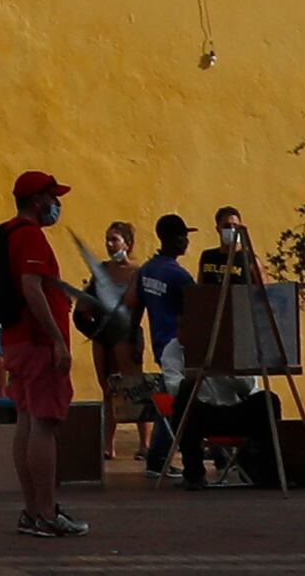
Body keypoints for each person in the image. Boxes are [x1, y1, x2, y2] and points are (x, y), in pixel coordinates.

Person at [0, 170, 85, 539]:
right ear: (36, 200)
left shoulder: (10, 233)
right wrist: (58, 339)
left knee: (27, 422)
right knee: (44, 424)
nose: (56, 203)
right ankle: (45, 511)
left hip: (16, 341)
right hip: (37, 344)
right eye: (51, 196)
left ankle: (32, 511)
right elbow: (32, 288)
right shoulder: (30, 238)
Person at [172, 208, 274, 490]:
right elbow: (203, 291)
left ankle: (257, 464)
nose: (229, 229)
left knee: (254, 392)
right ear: (217, 228)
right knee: (194, 391)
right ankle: (195, 470)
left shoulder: (248, 258)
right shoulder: (209, 257)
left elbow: (264, 294)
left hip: (241, 331)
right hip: (214, 329)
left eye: (234, 225)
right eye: (225, 225)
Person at [74, 219, 150, 484]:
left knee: (134, 390)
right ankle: (109, 445)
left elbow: (141, 306)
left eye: (114, 240)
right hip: (103, 336)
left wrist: (136, 340)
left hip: (127, 335)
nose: (109, 244)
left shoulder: (137, 273)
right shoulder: (101, 272)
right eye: (107, 239)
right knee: (108, 390)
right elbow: (85, 305)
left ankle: (145, 444)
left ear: (127, 244)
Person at [131, 208, 196, 476]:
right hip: (178, 345)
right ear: (171, 239)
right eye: (182, 236)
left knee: (172, 398)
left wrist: (134, 339)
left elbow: (135, 309)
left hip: (160, 343)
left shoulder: (147, 270)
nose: (186, 241)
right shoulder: (178, 276)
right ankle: (159, 457)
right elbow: (198, 311)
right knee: (182, 400)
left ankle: (158, 456)